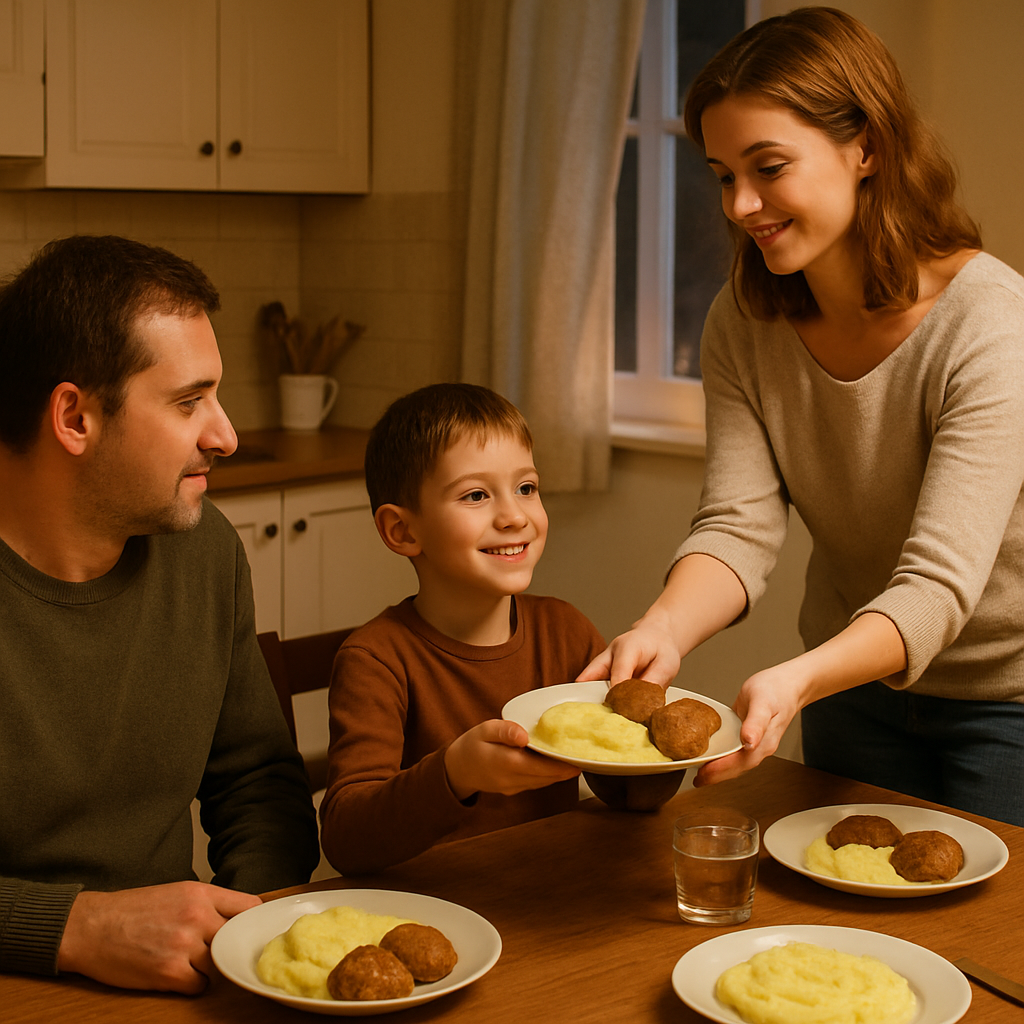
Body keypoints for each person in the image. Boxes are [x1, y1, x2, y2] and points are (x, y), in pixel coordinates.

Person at [581, 7, 1024, 827]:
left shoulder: (993, 324)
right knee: (852, 934)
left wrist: (796, 677)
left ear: (868, 147)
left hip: (1009, 702)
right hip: (854, 693)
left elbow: (938, 588)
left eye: (769, 166)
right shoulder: (743, 323)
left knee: (990, 952)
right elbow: (736, 528)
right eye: (722, 175)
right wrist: (663, 629)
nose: (742, 204)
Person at [0, 235, 320, 992]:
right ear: (74, 417)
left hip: (171, 986)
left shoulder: (202, 549)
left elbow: (254, 782)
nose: (227, 435)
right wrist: (76, 928)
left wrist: (255, 939)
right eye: (189, 401)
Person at [318, 383, 606, 874]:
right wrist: (456, 774)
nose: (515, 516)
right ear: (403, 531)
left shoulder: (567, 632)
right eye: (476, 495)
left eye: (526, 488)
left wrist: (647, 733)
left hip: (556, 903)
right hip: (436, 912)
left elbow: (629, 796)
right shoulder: (376, 660)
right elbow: (347, 839)